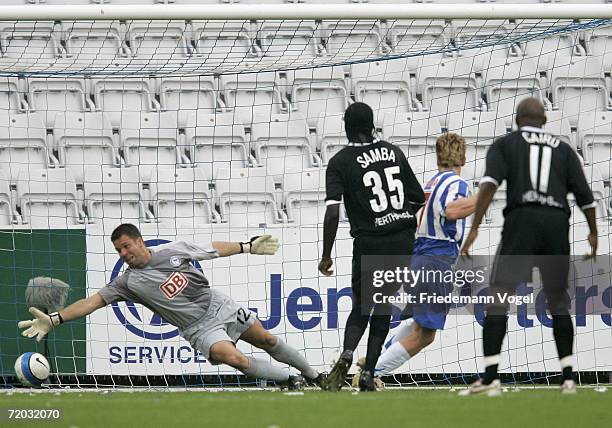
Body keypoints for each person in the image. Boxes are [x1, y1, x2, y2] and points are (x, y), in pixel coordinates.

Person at [18, 223, 323, 389]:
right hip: (197, 328)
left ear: (139, 242)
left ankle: (314, 376)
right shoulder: (126, 283)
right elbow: (93, 302)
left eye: (126, 246)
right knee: (236, 360)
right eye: (118, 250)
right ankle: (289, 380)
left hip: (219, 305)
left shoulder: (172, 251)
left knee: (268, 339)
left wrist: (246, 247)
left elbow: (212, 249)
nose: (123, 253)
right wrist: (55, 319)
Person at [459, 98, 598, 396]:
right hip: (556, 222)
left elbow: (489, 185)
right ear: (544, 120)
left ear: (517, 119)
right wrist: (594, 232)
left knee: (499, 296)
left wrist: (474, 227)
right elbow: (586, 196)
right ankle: (569, 378)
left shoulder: (505, 144)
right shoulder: (564, 149)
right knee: (558, 300)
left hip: (521, 220)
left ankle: (491, 378)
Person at [318, 102, 425, 391]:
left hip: (369, 241)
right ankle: (368, 373)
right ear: (372, 123)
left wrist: (326, 255)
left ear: (346, 127)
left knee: (363, 304)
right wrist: (396, 216)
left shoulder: (340, 162)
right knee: (384, 306)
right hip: (401, 239)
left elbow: (332, 212)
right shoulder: (394, 151)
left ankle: (348, 353)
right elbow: (417, 198)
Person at [357, 133, 477, 382]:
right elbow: (453, 210)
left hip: (417, 254)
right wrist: (484, 195)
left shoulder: (430, 183)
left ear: (437, 158)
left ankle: (372, 361)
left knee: (416, 321)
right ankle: (373, 372)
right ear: (463, 157)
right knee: (426, 334)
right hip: (437, 256)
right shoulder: (458, 185)